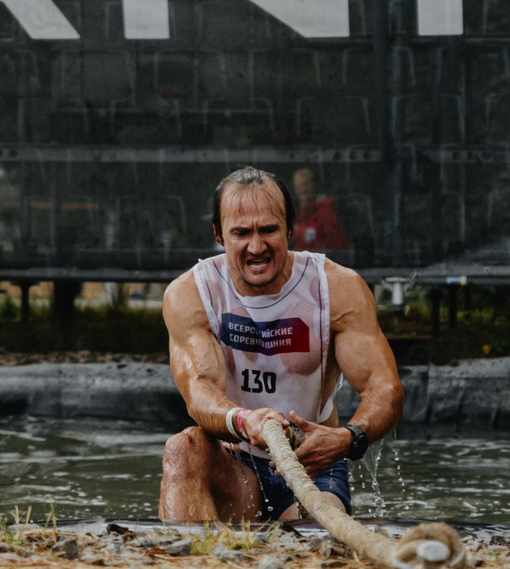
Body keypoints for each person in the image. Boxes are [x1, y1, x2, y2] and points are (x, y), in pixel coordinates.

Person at [160, 166, 401, 523]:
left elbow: (385, 389)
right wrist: (245, 422)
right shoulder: (190, 293)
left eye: (268, 230)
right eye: (241, 233)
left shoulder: (337, 287)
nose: (256, 248)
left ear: (290, 227)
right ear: (218, 234)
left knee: (320, 534)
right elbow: (199, 393)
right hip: (236, 466)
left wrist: (348, 438)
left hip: (313, 462)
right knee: (183, 449)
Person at [288, 166, 351, 256]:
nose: (303, 189)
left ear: (315, 185)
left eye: (307, 184)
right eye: (299, 185)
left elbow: (338, 249)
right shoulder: (294, 213)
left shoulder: (327, 212)